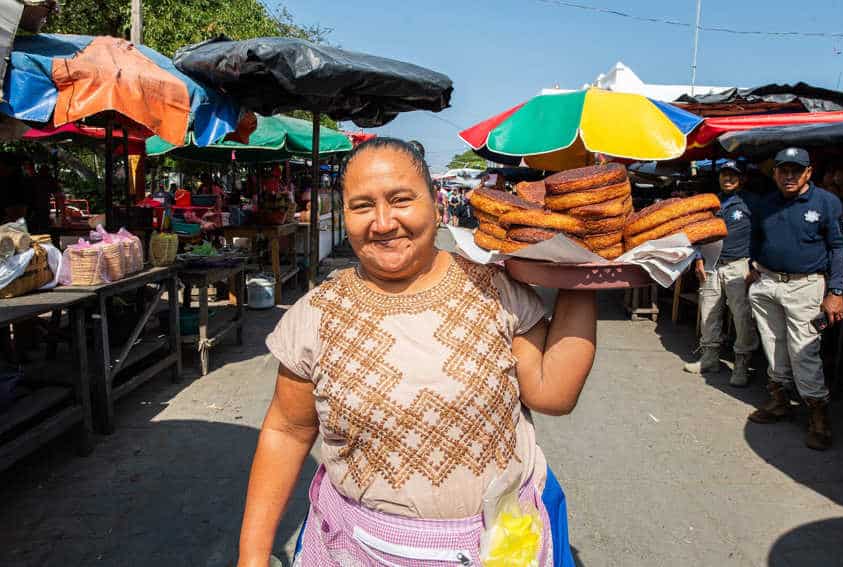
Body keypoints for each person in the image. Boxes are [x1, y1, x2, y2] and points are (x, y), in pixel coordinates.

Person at [237, 138, 597, 566]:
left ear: (435, 204)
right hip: (357, 552)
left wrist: (585, 266)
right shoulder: (315, 316)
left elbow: (553, 394)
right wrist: (252, 556)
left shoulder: (497, 291)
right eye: (362, 206)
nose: (383, 222)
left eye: (401, 199)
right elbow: (287, 431)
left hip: (501, 550)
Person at [747, 147, 843, 451]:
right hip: (767, 284)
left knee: (804, 350)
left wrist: (837, 292)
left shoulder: (827, 202)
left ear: (808, 172)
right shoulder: (766, 203)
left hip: (805, 287)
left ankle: (819, 416)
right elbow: (757, 237)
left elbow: (839, 249)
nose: (789, 176)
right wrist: (753, 264)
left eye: (796, 170)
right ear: (774, 172)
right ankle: (780, 401)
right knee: (773, 345)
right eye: (783, 170)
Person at [684, 159, 759, 385]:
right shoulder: (712, 202)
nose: (728, 179)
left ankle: (742, 364)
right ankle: (709, 358)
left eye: (733, 175)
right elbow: (699, 232)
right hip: (711, 264)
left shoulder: (752, 203)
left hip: (739, 265)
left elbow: (763, 234)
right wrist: (698, 258)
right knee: (708, 312)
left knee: (742, 316)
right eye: (725, 174)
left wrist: (756, 264)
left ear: (742, 179)